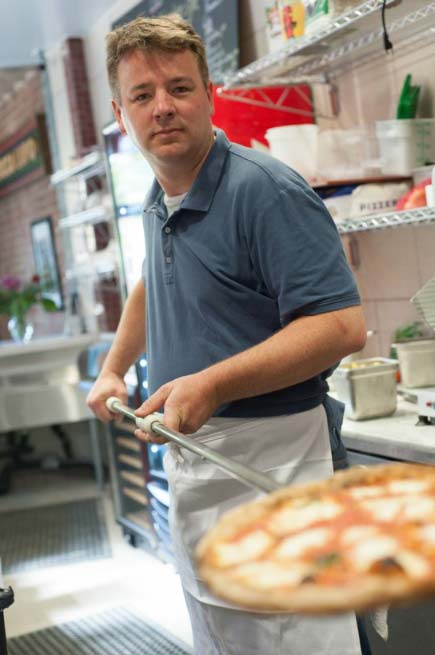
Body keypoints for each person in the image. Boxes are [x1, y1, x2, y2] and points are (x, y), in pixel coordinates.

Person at [87, 13, 370, 655]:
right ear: (120, 111)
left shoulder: (265, 191)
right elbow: (147, 284)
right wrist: (113, 367)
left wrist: (213, 383)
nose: (162, 107)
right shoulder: (157, 199)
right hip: (202, 471)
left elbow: (341, 325)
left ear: (210, 94)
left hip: (279, 464)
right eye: (142, 95)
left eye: (180, 88)